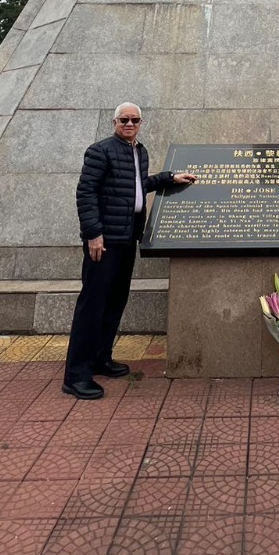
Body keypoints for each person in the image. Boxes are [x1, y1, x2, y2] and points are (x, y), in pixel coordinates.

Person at [62, 102, 196, 399]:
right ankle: (76, 376)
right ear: (114, 122)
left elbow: (137, 186)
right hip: (105, 241)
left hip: (127, 238)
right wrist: (93, 234)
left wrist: (168, 178)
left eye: (135, 120)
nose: (130, 124)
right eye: (124, 119)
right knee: (92, 305)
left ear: (141, 122)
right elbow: (86, 193)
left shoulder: (139, 151)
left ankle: (100, 358)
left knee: (114, 301)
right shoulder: (101, 151)